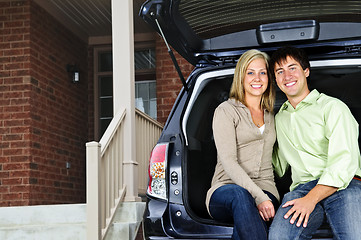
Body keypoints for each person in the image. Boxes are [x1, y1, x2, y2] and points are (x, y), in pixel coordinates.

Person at [269, 46, 361, 240]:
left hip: (345, 185)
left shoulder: (333, 107)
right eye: (280, 71)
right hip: (302, 189)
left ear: (306, 71)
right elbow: (278, 166)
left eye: (292, 68)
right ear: (276, 80)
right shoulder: (279, 118)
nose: (287, 76)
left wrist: (311, 199)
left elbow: (343, 163)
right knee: (279, 238)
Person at [206, 49, 280, 240]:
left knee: (247, 222)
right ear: (241, 77)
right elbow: (229, 161)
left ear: (268, 78)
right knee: (242, 197)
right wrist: (259, 197)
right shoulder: (226, 111)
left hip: (266, 187)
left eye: (262, 72)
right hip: (226, 189)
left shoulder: (271, 115)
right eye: (251, 72)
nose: (257, 78)